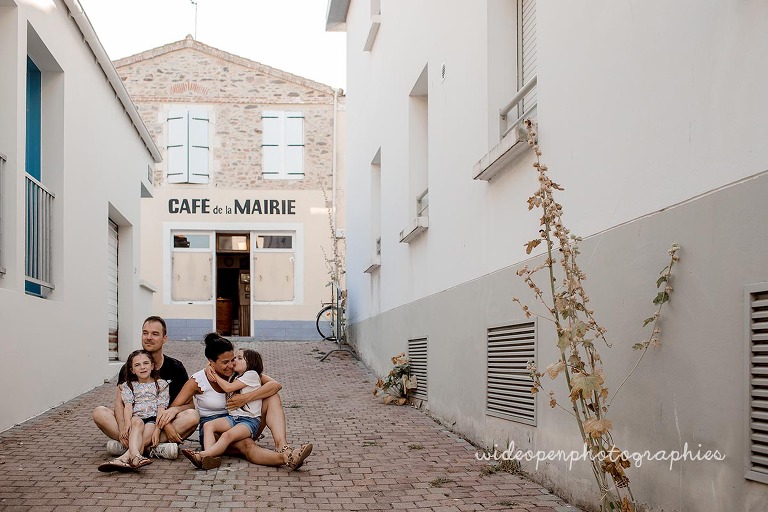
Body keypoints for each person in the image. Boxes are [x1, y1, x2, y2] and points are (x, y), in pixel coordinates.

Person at [158, 333, 312, 470]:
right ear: (211, 362)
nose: (230, 365)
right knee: (247, 445)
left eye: (232, 360)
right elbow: (176, 405)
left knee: (272, 396)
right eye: (225, 362)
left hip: (244, 422)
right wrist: (169, 423)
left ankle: (282, 446)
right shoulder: (198, 380)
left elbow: (275, 385)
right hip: (216, 429)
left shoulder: (240, 374)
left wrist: (246, 398)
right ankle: (288, 458)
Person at [92, 316, 198, 460]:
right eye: (145, 333)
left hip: (159, 424)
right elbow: (119, 403)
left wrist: (174, 411)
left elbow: (189, 404)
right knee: (99, 412)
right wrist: (123, 427)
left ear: (164, 338)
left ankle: (128, 449)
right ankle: (154, 448)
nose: (149, 337)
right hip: (134, 421)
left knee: (192, 417)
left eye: (155, 334)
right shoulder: (130, 367)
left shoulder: (176, 368)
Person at [181, 348, 264, 470]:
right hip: (234, 418)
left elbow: (228, 388)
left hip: (249, 421)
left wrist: (213, 374)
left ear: (250, 363)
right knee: (208, 425)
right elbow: (215, 364)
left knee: (227, 436)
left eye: (239, 358)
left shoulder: (251, 374)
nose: (234, 361)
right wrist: (209, 366)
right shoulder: (236, 376)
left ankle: (204, 455)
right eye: (235, 358)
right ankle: (210, 459)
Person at [98, 350, 169, 472]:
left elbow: (161, 409)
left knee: (147, 432)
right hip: (136, 417)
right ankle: (136, 457)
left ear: (152, 366)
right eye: (137, 365)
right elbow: (128, 406)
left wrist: (158, 429)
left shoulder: (161, 385)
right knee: (136, 422)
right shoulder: (128, 385)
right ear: (132, 370)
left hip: (152, 419)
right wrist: (126, 424)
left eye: (146, 363)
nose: (142, 367)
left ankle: (123, 458)